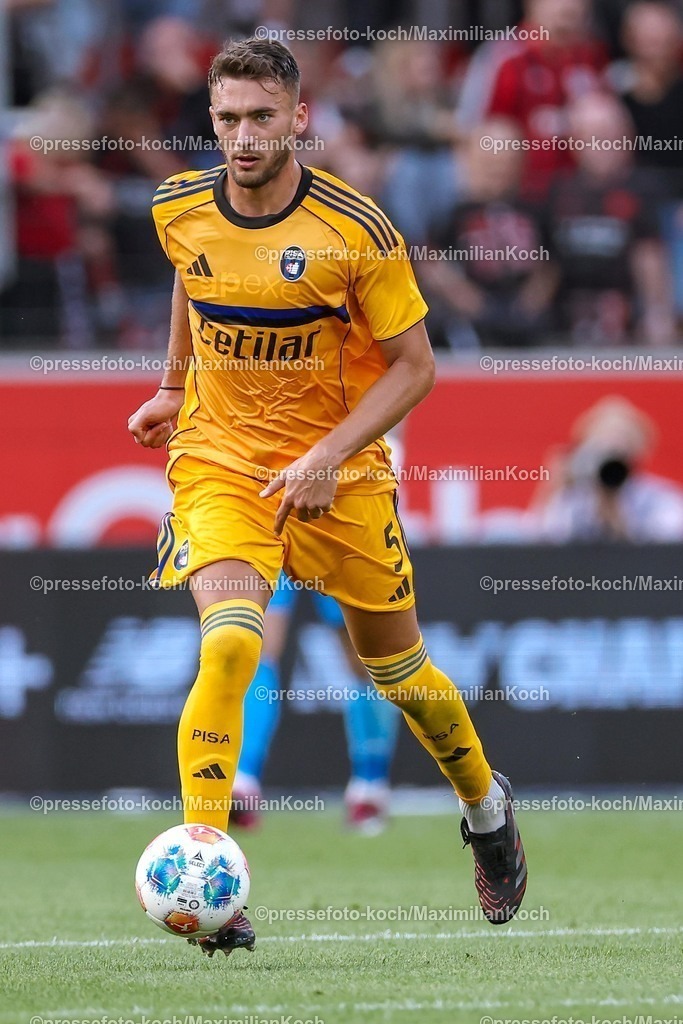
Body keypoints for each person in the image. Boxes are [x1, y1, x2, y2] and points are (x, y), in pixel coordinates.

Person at [128, 37, 527, 958]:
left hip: (340, 477)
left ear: (298, 119)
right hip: (221, 460)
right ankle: (207, 870)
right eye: (226, 118)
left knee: (397, 674)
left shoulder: (357, 230)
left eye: (261, 117)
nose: (241, 136)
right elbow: (196, 284)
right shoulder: (177, 206)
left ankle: (484, 808)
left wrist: (327, 454)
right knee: (230, 644)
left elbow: (416, 368)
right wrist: (171, 386)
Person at [233, 571, 400, 836]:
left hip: (332, 533)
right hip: (273, 534)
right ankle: (243, 782)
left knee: (364, 657)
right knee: (258, 646)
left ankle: (370, 784)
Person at [531, 396, 683, 542]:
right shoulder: (573, 499)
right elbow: (538, 543)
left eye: (622, 440)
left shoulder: (662, 499)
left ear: (640, 451)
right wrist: (552, 490)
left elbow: (664, 551)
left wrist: (612, 508)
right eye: (601, 441)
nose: (611, 448)